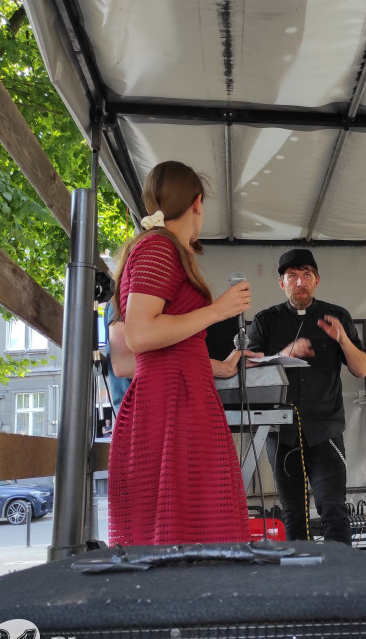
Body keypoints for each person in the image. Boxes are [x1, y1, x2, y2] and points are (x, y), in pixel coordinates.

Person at [107, 160, 257, 546]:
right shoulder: (158, 248)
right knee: (189, 530)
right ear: (197, 203)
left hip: (180, 398)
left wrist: (214, 367)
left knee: (191, 529)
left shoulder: (162, 250)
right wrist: (219, 310)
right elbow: (140, 336)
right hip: (171, 405)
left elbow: (157, 346)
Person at [246, 249, 366, 545]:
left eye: (306, 275)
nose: (299, 282)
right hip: (281, 432)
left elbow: (361, 369)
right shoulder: (266, 321)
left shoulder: (337, 316)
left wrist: (342, 339)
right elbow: (247, 367)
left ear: (317, 281)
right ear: (281, 284)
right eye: (292, 277)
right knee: (293, 513)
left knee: (334, 510)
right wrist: (281, 355)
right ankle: (301, 581)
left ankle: (341, 580)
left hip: (325, 430)